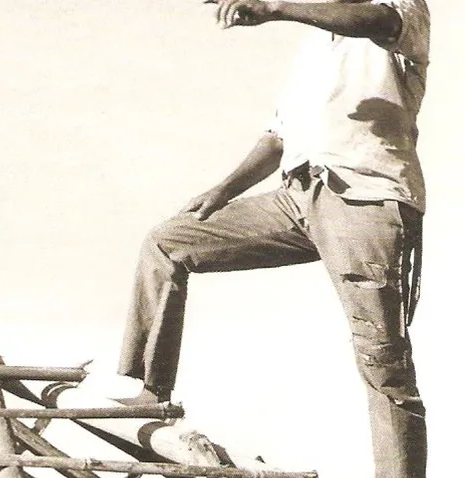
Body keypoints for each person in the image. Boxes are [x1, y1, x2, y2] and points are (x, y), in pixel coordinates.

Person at [115, 1, 430, 477]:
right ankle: (148, 390)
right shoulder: (314, 50)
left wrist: (275, 8)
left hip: (364, 200)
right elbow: (278, 137)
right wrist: (223, 190)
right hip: (295, 196)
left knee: (383, 359)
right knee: (167, 242)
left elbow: (377, 20)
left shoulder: (398, 12)